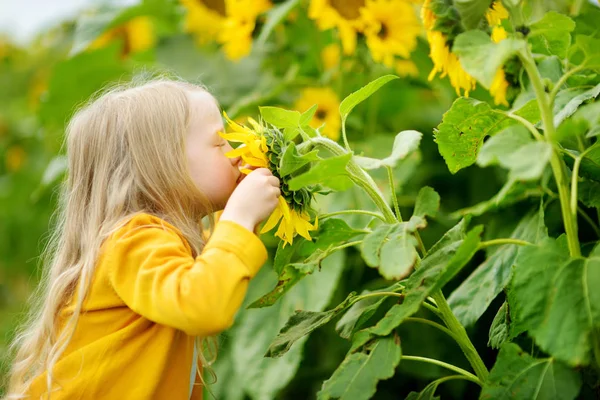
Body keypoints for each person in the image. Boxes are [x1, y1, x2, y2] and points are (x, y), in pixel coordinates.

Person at [3, 77, 281, 399]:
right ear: (163, 164)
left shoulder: (160, 243)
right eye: (220, 143)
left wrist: (243, 216)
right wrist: (240, 217)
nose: (236, 154)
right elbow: (203, 305)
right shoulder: (134, 241)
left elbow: (217, 267)